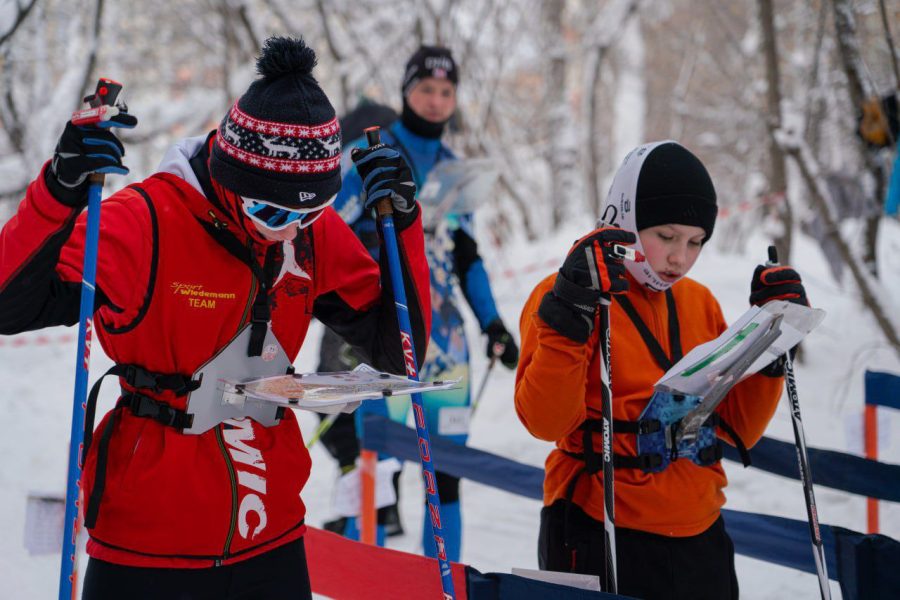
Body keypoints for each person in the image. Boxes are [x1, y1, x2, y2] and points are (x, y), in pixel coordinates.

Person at [0, 37, 431, 600]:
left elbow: (399, 349)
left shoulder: (309, 235)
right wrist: (57, 192)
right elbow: (9, 303)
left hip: (268, 532)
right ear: (232, 176)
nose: (290, 230)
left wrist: (404, 224)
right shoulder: (143, 223)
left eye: (312, 211)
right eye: (271, 210)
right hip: (147, 544)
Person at [515, 141, 811, 599]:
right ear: (626, 221)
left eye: (696, 242)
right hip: (598, 526)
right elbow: (545, 421)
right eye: (667, 236)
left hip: (700, 530)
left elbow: (736, 431)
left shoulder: (699, 302)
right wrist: (568, 318)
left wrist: (772, 346)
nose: (681, 258)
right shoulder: (562, 296)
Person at [324, 45, 519, 562]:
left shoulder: (457, 168)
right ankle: (367, 582)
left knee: (447, 467)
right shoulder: (373, 151)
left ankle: (444, 580)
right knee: (377, 462)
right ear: (407, 92)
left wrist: (493, 322)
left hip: (447, 339)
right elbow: (331, 229)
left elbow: (467, 256)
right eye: (425, 89)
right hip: (383, 327)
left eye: (446, 91)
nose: (435, 101)